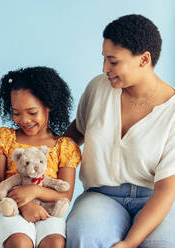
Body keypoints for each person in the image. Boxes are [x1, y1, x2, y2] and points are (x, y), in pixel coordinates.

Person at [65, 14, 175, 248]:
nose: (105, 68)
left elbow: (167, 189)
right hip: (102, 195)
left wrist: (130, 243)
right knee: (83, 233)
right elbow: (76, 132)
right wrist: (42, 155)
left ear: (144, 60)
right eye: (104, 59)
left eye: (113, 62)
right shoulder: (98, 88)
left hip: (156, 199)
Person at [0, 67, 82, 248]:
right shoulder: (5, 138)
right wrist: (24, 205)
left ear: (49, 106)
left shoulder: (64, 147)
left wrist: (35, 192)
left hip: (48, 211)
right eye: (16, 113)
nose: (24, 120)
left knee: (54, 243)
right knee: (20, 242)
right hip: (11, 208)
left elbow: (65, 194)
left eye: (32, 112)